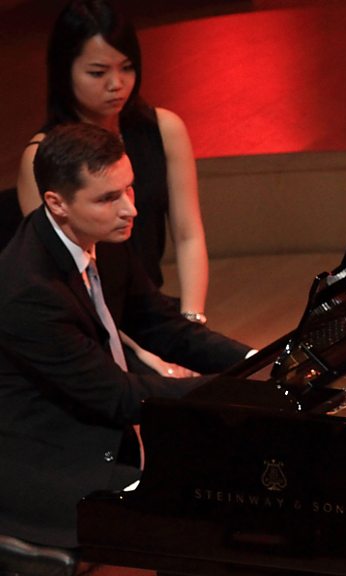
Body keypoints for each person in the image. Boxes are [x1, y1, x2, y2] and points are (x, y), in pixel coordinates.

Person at [0, 123, 250, 549]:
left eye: (129, 188)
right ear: (57, 203)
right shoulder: (29, 290)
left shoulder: (103, 234)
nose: (130, 209)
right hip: (54, 463)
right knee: (207, 518)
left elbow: (163, 327)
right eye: (108, 198)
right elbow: (116, 395)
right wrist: (236, 391)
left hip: (107, 431)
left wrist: (257, 361)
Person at [16, 0, 210, 376]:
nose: (116, 84)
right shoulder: (43, 157)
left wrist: (191, 321)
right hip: (90, 332)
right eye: (97, 72)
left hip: (153, 316)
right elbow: (63, 282)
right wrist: (144, 356)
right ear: (64, 71)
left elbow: (188, 234)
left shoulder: (163, 128)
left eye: (127, 67)